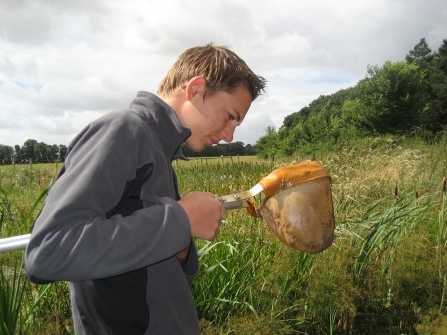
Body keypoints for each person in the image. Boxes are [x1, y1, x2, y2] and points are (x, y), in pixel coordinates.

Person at [25, 43, 267, 334]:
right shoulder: (124, 130)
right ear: (196, 88)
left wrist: (182, 246)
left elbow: (148, 267)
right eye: (230, 116)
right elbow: (49, 251)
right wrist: (180, 220)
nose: (229, 135)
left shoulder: (160, 151)